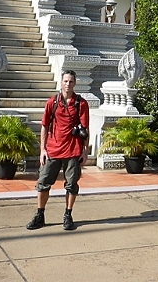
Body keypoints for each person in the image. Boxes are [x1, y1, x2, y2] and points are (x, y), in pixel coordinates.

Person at [26, 70, 89, 231]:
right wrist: (42, 149)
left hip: (73, 151)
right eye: (65, 81)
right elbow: (44, 126)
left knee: (71, 184)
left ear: (75, 83)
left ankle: (68, 214)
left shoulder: (81, 103)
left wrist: (84, 151)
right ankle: (40, 214)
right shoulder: (52, 102)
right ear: (61, 82)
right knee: (43, 183)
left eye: (71, 81)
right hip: (53, 150)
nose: (68, 84)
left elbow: (85, 129)